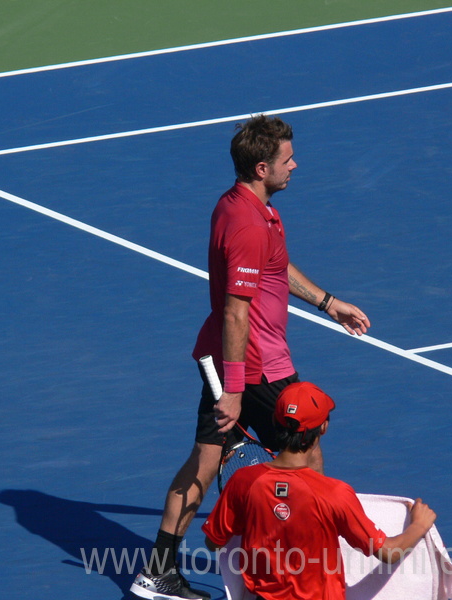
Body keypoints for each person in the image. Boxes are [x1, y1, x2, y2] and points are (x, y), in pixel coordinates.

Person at [130, 115, 371, 600]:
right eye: (287, 159)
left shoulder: (245, 208)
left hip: (227, 360)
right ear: (262, 167)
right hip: (257, 367)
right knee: (307, 459)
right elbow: (236, 313)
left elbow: (276, 269)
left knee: (202, 465)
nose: (295, 165)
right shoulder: (247, 223)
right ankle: (304, 572)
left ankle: (156, 572)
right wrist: (237, 391)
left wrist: (328, 303)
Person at [202, 381, 438, 600]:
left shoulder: (243, 481)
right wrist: (419, 524)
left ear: (275, 422)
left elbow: (213, 542)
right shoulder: (335, 493)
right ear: (323, 428)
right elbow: (388, 552)